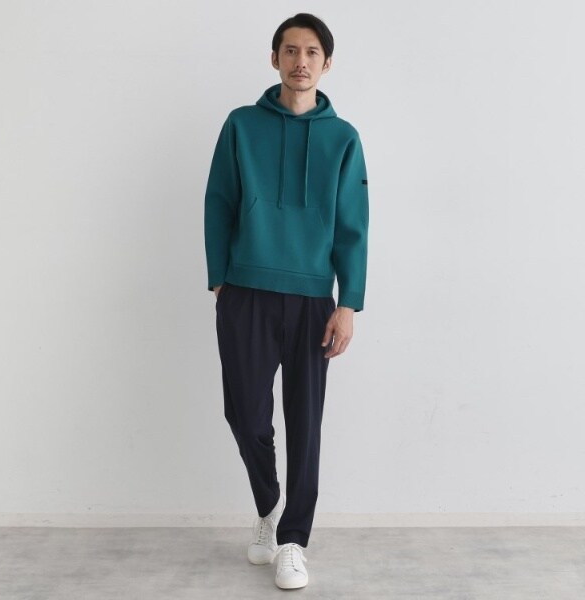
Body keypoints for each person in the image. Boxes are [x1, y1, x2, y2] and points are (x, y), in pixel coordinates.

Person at [204, 12, 369, 590]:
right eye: (291, 50)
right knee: (245, 413)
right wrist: (220, 279)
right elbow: (219, 201)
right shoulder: (241, 125)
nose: (302, 61)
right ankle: (269, 506)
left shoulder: (343, 138)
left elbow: (353, 224)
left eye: (312, 52)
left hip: (311, 300)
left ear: (327, 63)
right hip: (246, 291)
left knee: (305, 423)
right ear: (274, 58)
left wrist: (348, 302)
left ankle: (293, 540)